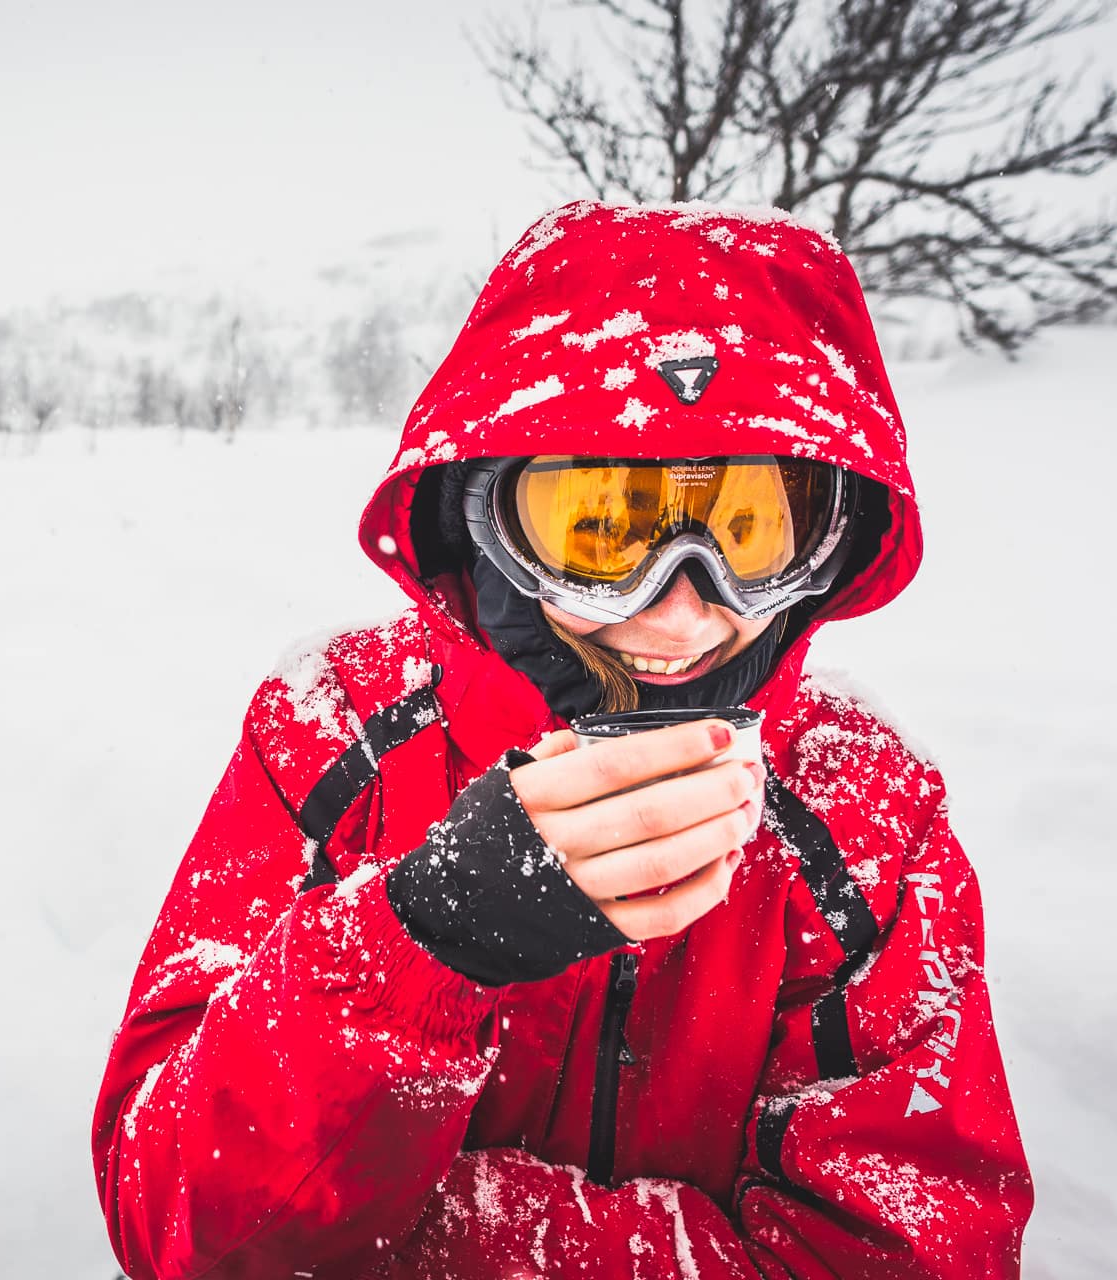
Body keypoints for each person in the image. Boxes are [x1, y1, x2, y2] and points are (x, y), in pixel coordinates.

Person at [91, 201, 1033, 1278]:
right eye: (601, 528)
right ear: (483, 512)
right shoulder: (333, 730)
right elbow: (171, 1204)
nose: (680, 613)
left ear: (832, 535)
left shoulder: (865, 819)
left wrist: (406, 1244)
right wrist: (418, 938)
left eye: (749, 531)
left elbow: (905, 1253)